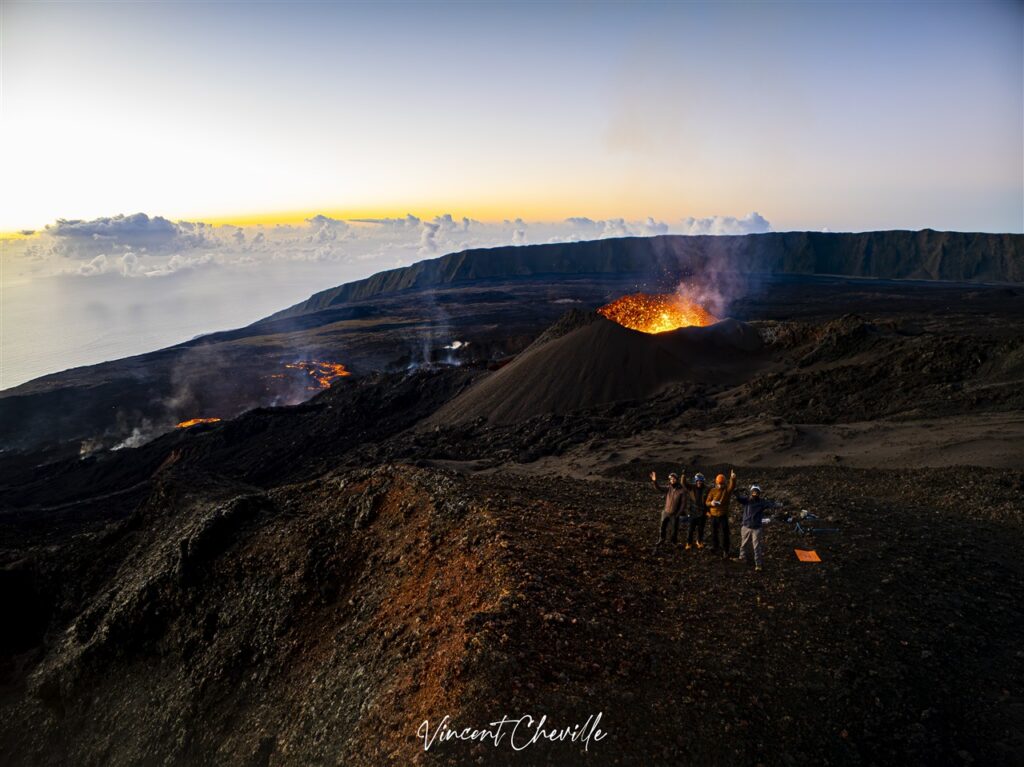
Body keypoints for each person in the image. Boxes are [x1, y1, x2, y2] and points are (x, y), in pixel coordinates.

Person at [732, 483, 783, 571]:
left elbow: (771, 504)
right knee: (743, 544)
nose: (755, 493)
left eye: (757, 491)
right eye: (754, 491)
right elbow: (739, 498)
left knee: (756, 547)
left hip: (756, 529)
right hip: (746, 527)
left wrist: (777, 504)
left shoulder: (762, 502)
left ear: (759, 493)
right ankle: (742, 558)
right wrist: (735, 492)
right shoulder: (747, 500)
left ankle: (758, 564)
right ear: (751, 492)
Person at [649, 470, 688, 554]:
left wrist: (678, 514)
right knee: (662, 527)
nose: (672, 480)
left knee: (674, 530)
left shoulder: (682, 491)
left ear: (677, 479)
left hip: (674, 514)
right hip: (666, 512)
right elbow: (659, 488)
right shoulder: (669, 488)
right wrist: (654, 481)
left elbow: (683, 504)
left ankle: (673, 542)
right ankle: (661, 539)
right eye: (671, 479)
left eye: (674, 479)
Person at [705, 469, 736, 559]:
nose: (720, 485)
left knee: (725, 533)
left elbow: (732, 486)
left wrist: (733, 478)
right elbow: (707, 502)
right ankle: (715, 547)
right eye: (719, 483)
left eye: (722, 483)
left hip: (723, 515)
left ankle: (725, 550)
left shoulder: (727, 490)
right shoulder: (712, 491)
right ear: (716, 482)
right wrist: (711, 503)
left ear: (724, 483)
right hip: (714, 515)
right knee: (714, 532)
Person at [682, 472, 710, 550]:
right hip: (693, 512)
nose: (699, 482)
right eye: (698, 481)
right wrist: (683, 476)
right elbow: (683, 483)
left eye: (700, 481)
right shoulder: (691, 487)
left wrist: (708, 511)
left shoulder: (706, 489)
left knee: (701, 529)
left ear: (703, 481)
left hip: (702, 512)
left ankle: (699, 541)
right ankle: (689, 543)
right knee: (691, 529)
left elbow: (709, 500)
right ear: (695, 481)